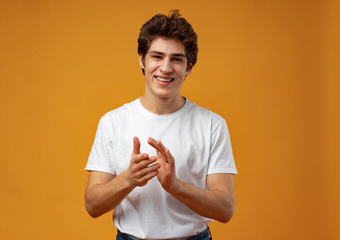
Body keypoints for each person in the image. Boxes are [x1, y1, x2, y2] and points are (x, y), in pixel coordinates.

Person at [85, 10, 237, 240]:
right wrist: (128, 179)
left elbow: (225, 209)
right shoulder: (113, 122)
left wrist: (174, 186)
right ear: (141, 59)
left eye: (176, 59)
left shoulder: (212, 125)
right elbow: (92, 205)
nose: (166, 68)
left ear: (190, 67)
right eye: (157, 56)